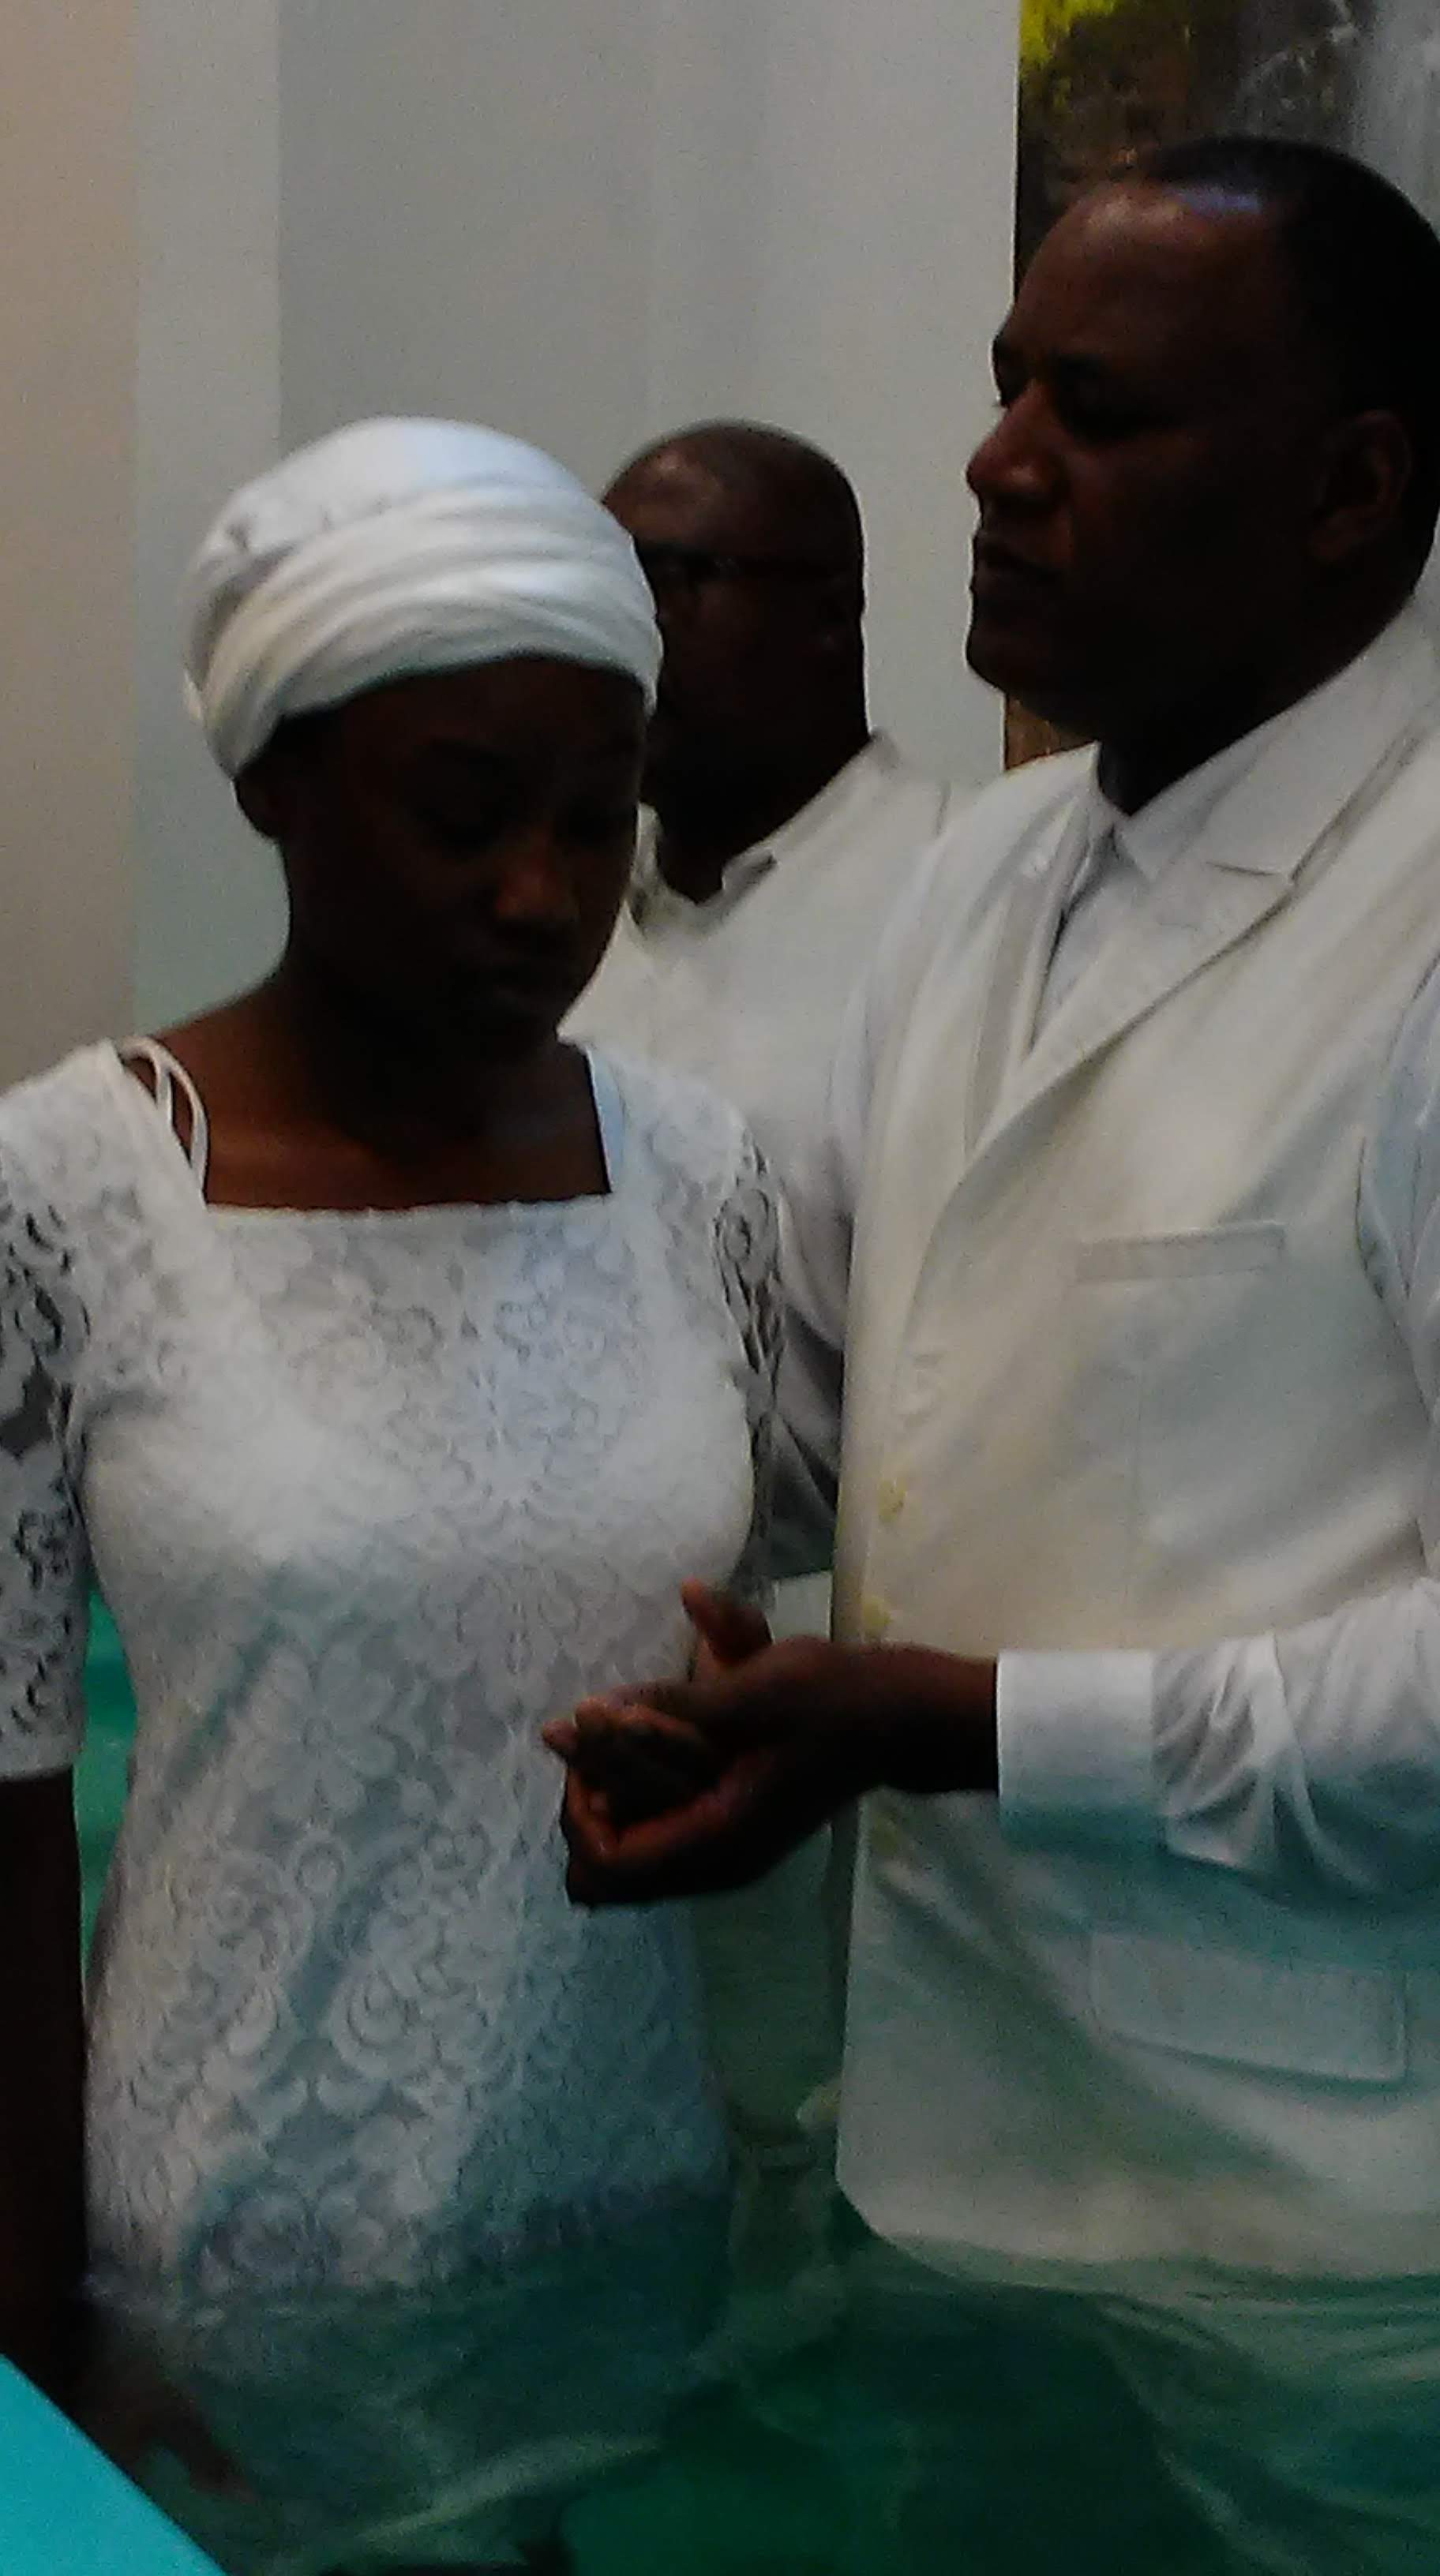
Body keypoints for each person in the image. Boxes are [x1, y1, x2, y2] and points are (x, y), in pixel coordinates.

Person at [551, 140, 1440, 2574]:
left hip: (1330, 2261)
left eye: (1100, 413)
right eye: (1001, 385)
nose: (993, 461)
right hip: (942, 2169)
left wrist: (954, 1727)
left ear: (1350, 489)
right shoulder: (980, 879)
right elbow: (826, 1425)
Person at [0, 417, 781, 2573]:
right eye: (459, 814)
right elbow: (4, 1819)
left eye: (594, 819)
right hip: (224, 2270)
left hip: (623, 2229)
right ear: (275, 779)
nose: (538, 893)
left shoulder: (703, 1180)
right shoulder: (68, 1195)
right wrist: (40, 2344)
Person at [568, 421, 958, 1189]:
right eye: (603, 589)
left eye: (671, 580)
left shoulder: (963, 884)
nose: (626, 631)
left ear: (829, 615)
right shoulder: (560, 915)